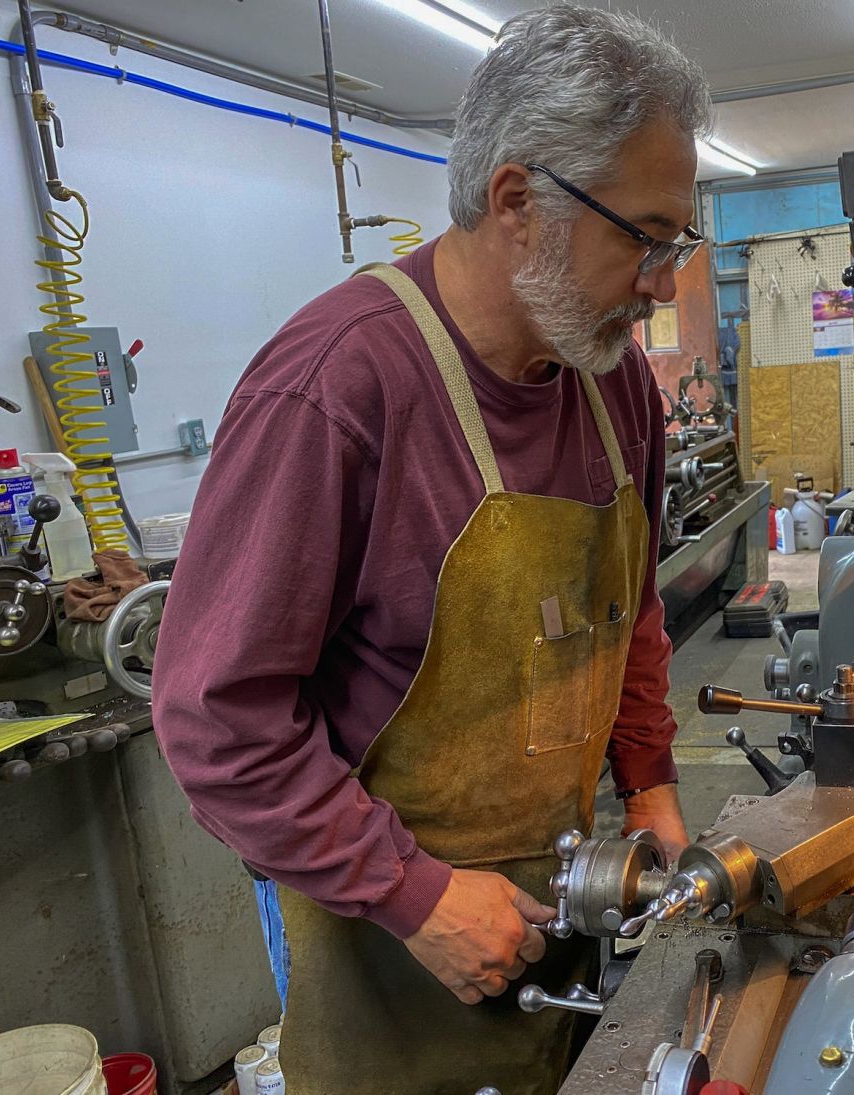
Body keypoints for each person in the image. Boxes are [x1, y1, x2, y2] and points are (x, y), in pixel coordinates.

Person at [151, 7, 712, 1091]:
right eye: (643, 239)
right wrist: (411, 894)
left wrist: (645, 787)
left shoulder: (611, 386)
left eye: (675, 246)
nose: (659, 285)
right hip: (385, 936)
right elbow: (216, 720)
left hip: (565, 887)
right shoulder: (336, 389)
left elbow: (627, 608)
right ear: (515, 202)